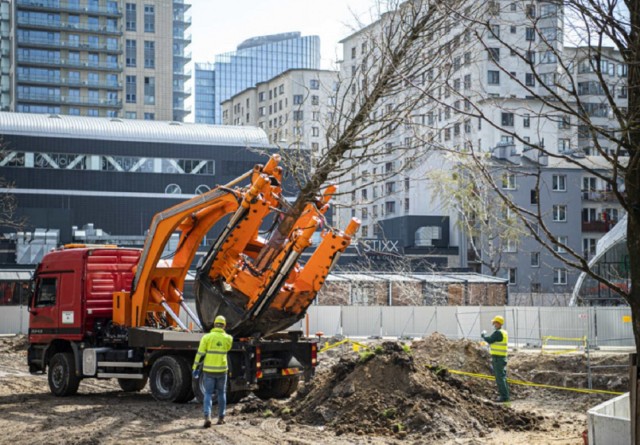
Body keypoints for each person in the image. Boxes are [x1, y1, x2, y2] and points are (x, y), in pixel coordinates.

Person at [193, 315, 233, 428]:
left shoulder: (207, 338)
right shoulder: (228, 338)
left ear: (214, 324)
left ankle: (207, 417)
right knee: (221, 393)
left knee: (208, 394)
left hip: (208, 371)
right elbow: (228, 348)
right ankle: (221, 418)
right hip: (222, 371)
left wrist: (195, 368)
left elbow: (200, 354)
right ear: (224, 326)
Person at [481, 315, 510, 403]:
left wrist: (483, 335)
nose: (493, 324)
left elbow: (490, 340)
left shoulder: (498, 333)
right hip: (502, 357)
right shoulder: (504, 332)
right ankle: (505, 395)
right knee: (503, 377)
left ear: (498, 323)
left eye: (495, 323)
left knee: (499, 378)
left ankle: (504, 397)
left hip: (498, 358)